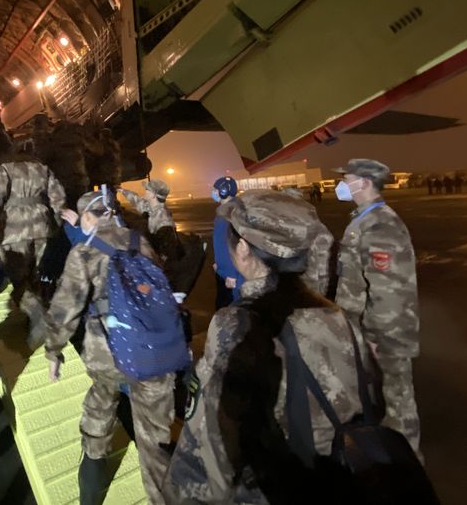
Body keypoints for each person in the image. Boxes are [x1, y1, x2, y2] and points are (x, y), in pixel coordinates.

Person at [167, 190, 380, 504]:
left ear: (243, 250)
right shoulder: (336, 316)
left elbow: (214, 439)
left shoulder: (237, 324)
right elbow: (371, 401)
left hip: (276, 486)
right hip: (338, 478)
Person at [45, 190, 176, 505]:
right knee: (155, 439)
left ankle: (91, 492)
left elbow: (65, 308)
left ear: (88, 218)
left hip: (108, 355)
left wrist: (54, 351)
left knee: (99, 415)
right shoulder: (140, 242)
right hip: (152, 352)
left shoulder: (85, 251)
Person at [333, 158, 422, 459]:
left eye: (347, 179)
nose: (342, 185)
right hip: (367, 327)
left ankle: (408, 463)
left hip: (387, 330)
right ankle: (389, 454)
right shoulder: (364, 219)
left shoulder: (381, 225)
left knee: (398, 400)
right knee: (380, 398)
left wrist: (376, 334)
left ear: (365, 182)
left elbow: (388, 289)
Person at [0, 154, 67, 346]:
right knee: (38, 276)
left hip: (15, 230)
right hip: (43, 226)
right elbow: (59, 199)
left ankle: (37, 319)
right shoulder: (44, 169)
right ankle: (40, 318)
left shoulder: (6, 169)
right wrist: (55, 224)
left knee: (17, 279)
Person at [119, 179, 179, 263]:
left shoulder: (162, 216)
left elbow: (167, 243)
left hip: (160, 258)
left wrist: (161, 259)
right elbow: (137, 200)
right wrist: (122, 191)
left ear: (153, 195)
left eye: (148, 190)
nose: (145, 191)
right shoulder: (151, 207)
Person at [211, 176, 244, 308]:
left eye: (215, 189)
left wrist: (230, 273)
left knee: (228, 309)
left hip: (231, 275)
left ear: (223, 191)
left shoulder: (227, 215)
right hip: (229, 271)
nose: (213, 192)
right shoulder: (232, 209)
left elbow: (228, 244)